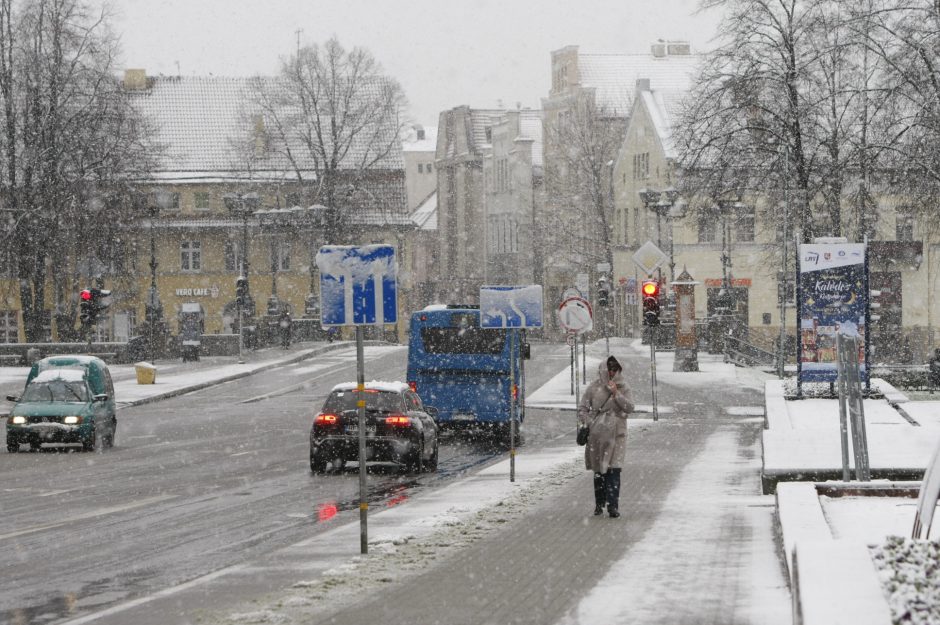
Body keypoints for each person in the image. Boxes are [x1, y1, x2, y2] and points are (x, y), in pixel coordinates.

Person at [578, 355, 634, 518]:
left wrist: (616, 393)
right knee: (600, 470)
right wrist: (590, 422)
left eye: (615, 369)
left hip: (617, 434)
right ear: (603, 369)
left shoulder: (624, 387)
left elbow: (630, 407)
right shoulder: (594, 387)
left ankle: (613, 506)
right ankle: (599, 503)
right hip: (597, 435)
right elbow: (583, 408)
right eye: (609, 369)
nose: (611, 372)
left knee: (614, 469)